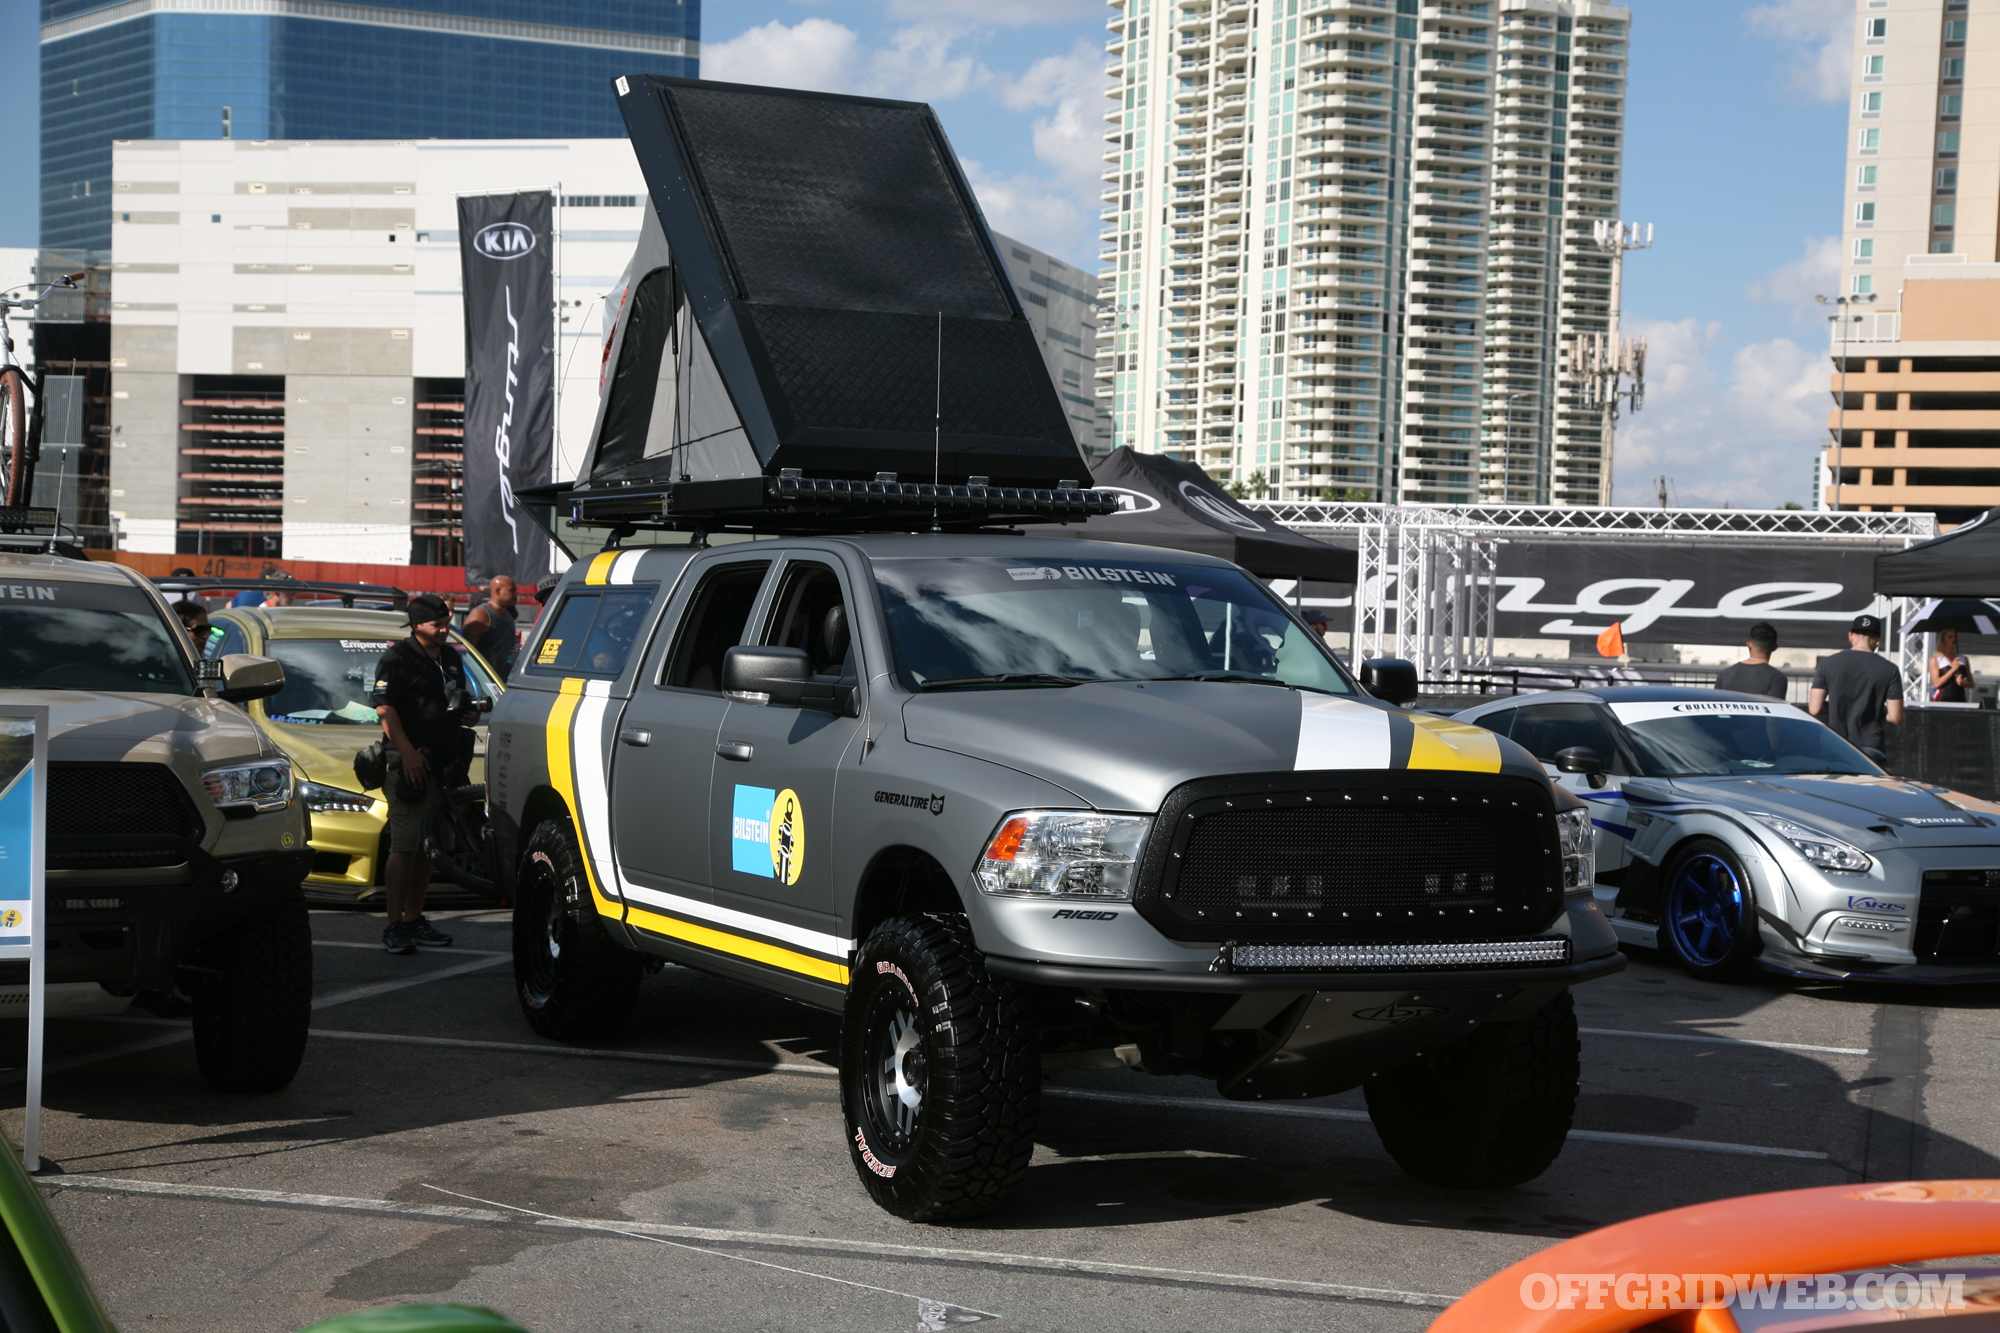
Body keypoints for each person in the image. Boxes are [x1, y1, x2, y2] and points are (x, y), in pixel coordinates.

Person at [372, 592, 479, 955]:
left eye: (447, 622)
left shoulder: (450, 656)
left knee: (429, 848)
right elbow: (385, 709)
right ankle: (393, 924)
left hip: (445, 764)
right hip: (409, 765)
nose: (445, 629)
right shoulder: (398, 657)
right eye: (437, 624)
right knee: (404, 846)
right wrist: (407, 754)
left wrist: (470, 714)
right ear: (416, 625)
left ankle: (414, 918)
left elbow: (457, 699)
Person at [1808, 613, 1905, 753]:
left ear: (1851, 636)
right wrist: (1874, 709)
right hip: (1870, 746)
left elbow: (1815, 709)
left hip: (1835, 743)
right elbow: (1895, 717)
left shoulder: (1827, 663)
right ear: (1878, 639)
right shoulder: (1890, 669)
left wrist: (1838, 706)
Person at [462, 575, 520, 678]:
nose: (516, 594)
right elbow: (466, 652)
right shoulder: (481, 615)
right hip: (484, 679)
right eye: (512, 590)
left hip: (503, 680)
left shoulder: (508, 616)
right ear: (497, 591)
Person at [1715, 621, 1789, 700]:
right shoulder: (1777, 678)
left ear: (1749, 644)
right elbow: (1774, 706)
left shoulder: (1725, 674)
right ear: (1775, 647)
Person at [1929, 627, 1976, 703]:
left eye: (1955, 636)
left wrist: (1963, 683)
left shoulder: (1963, 659)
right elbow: (1936, 684)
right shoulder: (1936, 660)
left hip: (1960, 700)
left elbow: (1972, 684)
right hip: (1942, 700)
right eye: (1950, 636)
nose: (1953, 639)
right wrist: (1953, 669)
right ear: (1943, 639)